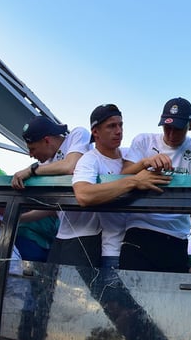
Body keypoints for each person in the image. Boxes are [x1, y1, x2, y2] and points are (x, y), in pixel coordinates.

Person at [72, 104, 172, 271]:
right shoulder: (89, 160)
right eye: (111, 126)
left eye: (121, 125)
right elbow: (83, 195)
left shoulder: (130, 154)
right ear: (95, 132)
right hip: (114, 252)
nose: (118, 131)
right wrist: (133, 181)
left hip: (146, 245)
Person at [119, 98, 191, 272]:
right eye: (167, 128)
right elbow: (122, 175)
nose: (171, 135)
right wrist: (145, 163)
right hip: (140, 229)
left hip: (176, 235)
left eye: (178, 129)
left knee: (169, 296)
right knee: (129, 295)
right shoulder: (144, 141)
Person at [12, 116, 97, 266]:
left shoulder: (76, 136)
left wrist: (32, 170)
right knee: (50, 283)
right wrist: (16, 218)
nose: (31, 155)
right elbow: (53, 209)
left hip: (87, 232)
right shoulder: (46, 164)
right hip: (63, 234)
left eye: (32, 149)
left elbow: (70, 165)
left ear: (47, 140)